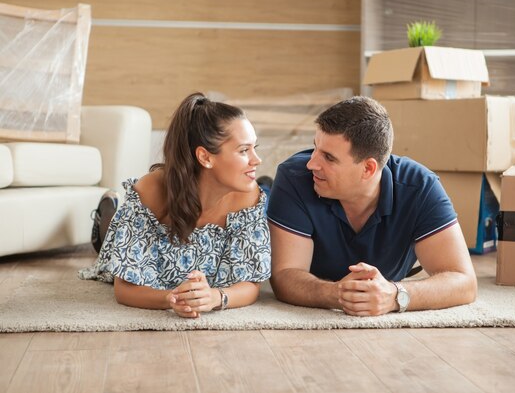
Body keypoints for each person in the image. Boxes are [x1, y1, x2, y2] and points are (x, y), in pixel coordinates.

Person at [267, 96, 476, 316]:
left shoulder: (420, 187)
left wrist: (395, 295)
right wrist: (336, 293)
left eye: (328, 157)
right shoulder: (295, 177)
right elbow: (284, 275)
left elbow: (464, 282)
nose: (312, 163)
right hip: (283, 205)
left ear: (368, 168)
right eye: (315, 148)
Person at [79, 92, 271, 318]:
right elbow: (124, 289)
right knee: (108, 249)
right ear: (205, 157)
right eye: (244, 150)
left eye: (254, 147)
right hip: (129, 230)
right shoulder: (151, 191)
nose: (257, 160)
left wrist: (215, 298)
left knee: (267, 186)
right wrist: (172, 300)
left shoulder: (249, 197)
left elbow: (251, 284)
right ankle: (108, 213)